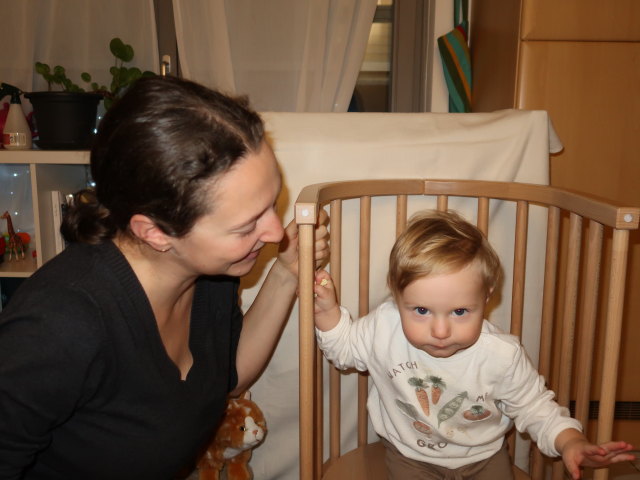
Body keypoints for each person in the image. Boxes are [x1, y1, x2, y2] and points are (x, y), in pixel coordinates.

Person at [0, 76, 328, 479]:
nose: (276, 233)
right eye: (247, 226)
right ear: (154, 232)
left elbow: (224, 376)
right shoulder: (60, 326)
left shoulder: (210, 276)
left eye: (272, 204)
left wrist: (286, 273)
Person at [312, 210, 634, 480]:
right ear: (398, 298)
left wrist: (571, 442)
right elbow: (345, 350)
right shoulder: (384, 327)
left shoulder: (501, 355)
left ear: (486, 298)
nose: (440, 330)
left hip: (485, 457)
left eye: (460, 312)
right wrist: (328, 313)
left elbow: (535, 408)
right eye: (421, 311)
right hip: (410, 457)